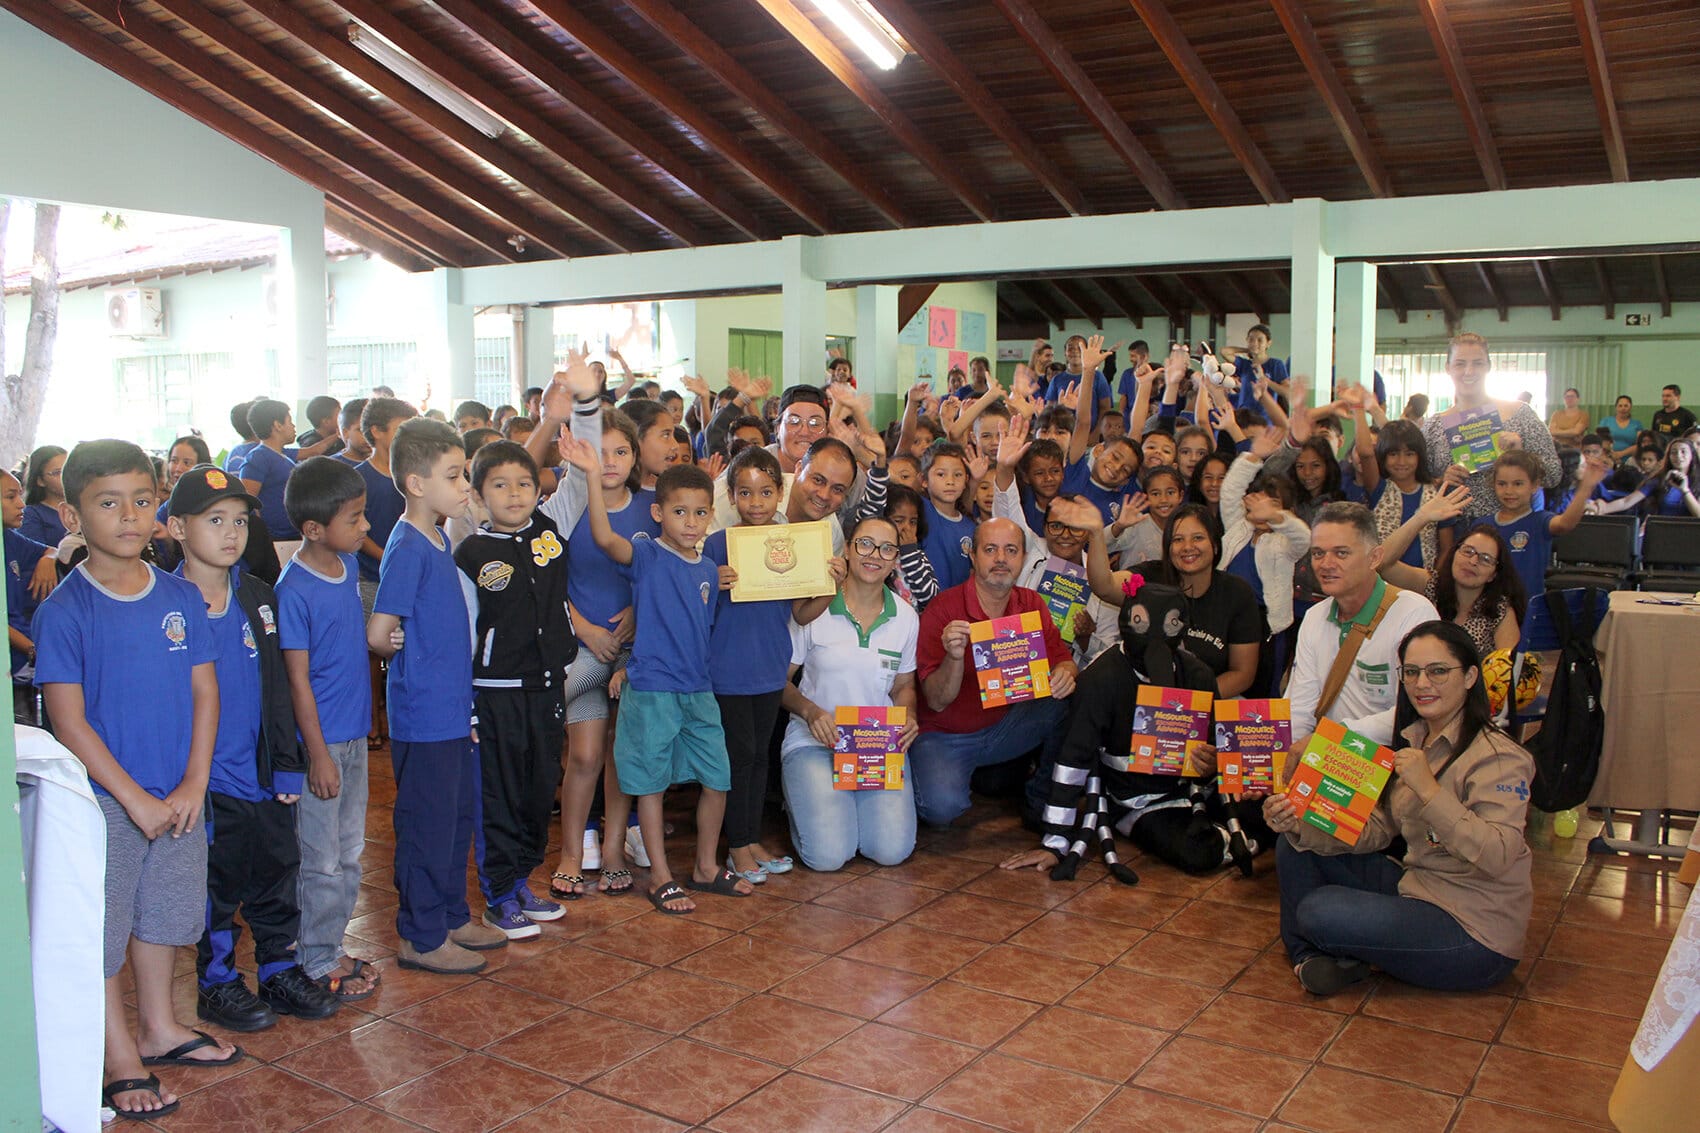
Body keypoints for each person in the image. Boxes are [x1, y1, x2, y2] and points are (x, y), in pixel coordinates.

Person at [32, 440, 239, 1119]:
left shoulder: (180, 595)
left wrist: (192, 783)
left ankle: (159, 1026)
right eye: (108, 502)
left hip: (176, 795)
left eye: (142, 500)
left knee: (165, 916)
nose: (128, 515)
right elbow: (69, 721)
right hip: (103, 803)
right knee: (103, 930)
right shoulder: (67, 610)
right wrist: (133, 800)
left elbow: (205, 693)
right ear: (72, 515)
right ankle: (118, 1053)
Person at [1266, 621, 1534, 996]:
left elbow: (1499, 855)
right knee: (1295, 845)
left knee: (1319, 911)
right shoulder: (1416, 739)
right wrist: (1296, 821)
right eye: (1411, 672)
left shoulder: (1500, 756)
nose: (1422, 683)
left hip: (1474, 931)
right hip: (1418, 890)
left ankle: (1336, 953)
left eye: (1438, 671)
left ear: (1470, 676)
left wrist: (1430, 791)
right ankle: (1311, 959)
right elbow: (1376, 830)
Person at [165, 466, 338, 1030]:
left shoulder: (259, 597)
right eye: (215, 520)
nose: (231, 533)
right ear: (178, 528)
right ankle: (217, 982)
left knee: (276, 874)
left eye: (239, 521)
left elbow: (279, 690)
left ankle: (278, 969)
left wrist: (288, 766)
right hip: (205, 783)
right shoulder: (165, 605)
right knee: (216, 887)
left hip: (261, 774)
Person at [566, 448, 757, 915]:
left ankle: (706, 867)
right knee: (650, 785)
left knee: (718, 778)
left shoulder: (708, 570)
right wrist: (591, 477)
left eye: (700, 513)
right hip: (652, 692)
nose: (690, 522)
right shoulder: (647, 555)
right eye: (679, 512)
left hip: (698, 691)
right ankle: (661, 876)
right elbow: (604, 538)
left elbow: (696, 629)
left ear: (711, 515)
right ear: (658, 514)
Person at [1001, 577, 1273, 881]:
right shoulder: (1101, 680)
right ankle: (1233, 839)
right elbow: (1073, 759)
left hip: (1192, 788)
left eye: (1171, 624)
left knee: (1269, 807)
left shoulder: (1197, 674)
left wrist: (1211, 763)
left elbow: (1213, 743)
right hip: (1135, 799)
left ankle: (1233, 834)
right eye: (1142, 623)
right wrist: (1056, 842)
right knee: (1198, 852)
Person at [366, 417, 508, 973]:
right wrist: (393, 640)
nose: (465, 486)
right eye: (454, 476)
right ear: (416, 483)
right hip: (423, 714)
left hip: (451, 709)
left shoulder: (438, 536)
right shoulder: (407, 546)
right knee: (426, 825)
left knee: (454, 819)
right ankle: (421, 936)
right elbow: (379, 631)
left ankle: (450, 915)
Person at [455, 440, 578, 939]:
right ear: (478, 496)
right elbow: (464, 633)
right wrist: (468, 706)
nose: (514, 494)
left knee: (538, 791)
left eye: (524, 483)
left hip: (546, 688)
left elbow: (578, 486)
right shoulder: (470, 554)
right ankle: (499, 895)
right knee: (499, 796)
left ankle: (522, 881)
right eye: (500, 485)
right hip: (496, 693)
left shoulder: (550, 532)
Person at [530, 387, 648, 899]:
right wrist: (582, 626)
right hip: (582, 646)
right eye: (600, 452)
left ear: (635, 457)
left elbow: (665, 573)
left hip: (635, 652)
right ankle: (572, 853)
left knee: (622, 756)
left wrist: (639, 614)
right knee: (584, 755)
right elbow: (545, 580)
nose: (611, 462)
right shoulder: (568, 507)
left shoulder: (652, 510)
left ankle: (615, 848)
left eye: (621, 451)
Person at [703, 446, 837, 884]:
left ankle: (751, 839)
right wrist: (711, 582)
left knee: (760, 757)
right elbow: (697, 608)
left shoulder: (791, 543)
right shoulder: (718, 544)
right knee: (739, 758)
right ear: (731, 496)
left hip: (769, 670)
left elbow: (801, 613)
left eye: (765, 492)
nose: (755, 502)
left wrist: (831, 585)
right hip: (727, 672)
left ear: (780, 494)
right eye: (744, 492)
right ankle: (736, 848)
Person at [277, 457, 381, 1002]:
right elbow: (297, 680)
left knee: (348, 850)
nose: (365, 526)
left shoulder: (346, 567)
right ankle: (314, 958)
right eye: (355, 518)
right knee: (318, 859)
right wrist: (317, 754)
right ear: (314, 529)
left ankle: (331, 944)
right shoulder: (294, 588)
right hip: (319, 746)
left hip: (353, 736)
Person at [910, 518, 1078, 827]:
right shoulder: (943, 609)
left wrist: (1065, 673)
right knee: (941, 810)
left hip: (1005, 727)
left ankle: (1040, 802)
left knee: (1070, 702)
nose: (1001, 559)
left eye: (1011, 550)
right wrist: (954, 657)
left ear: (1023, 558)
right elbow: (935, 701)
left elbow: (1063, 660)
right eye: (990, 549)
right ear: (973, 556)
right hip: (945, 736)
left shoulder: (1031, 603)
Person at [780, 516, 922, 870]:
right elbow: (779, 681)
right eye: (865, 544)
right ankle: (803, 800)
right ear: (847, 549)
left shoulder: (906, 617)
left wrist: (908, 716)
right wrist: (811, 712)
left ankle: (841, 807)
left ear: (895, 559)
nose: (874, 555)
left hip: (876, 745)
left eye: (887, 549)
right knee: (827, 856)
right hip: (815, 742)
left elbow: (904, 685)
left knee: (891, 851)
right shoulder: (815, 608)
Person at [1287, 502, 1440, 745]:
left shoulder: (1413, 613)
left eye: (1341, 553)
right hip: (1325, 755)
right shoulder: (1315, 616)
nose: (1326, 564)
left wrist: (1335, 736)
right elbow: (1299, 708)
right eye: (1318, 553)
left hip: (1391, 757)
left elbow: (1416, 708)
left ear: (1374, 558)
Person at [1422, 333, 1561, 521]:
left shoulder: (1520, 414)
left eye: (1477, 363)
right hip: (1453, 529)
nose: (1469, 371)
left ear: (1488, 366)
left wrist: (1521, 455)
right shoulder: (1434, 426)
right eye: (1460, 363)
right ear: (1448, 368)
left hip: (1511, 527)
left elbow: (1553, 476)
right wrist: (1441, 480)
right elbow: (1415, 485)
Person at [1377, 487, 1526, 657]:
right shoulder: (1432, 584)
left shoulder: (1500, 611)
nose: (1473, 561)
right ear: (1454, 553)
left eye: (1485, 559)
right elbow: (1382, 564)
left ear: (1493, 574)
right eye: (1468, 551)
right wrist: (1421, 517)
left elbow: (1509, 669)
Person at [1485, 449, 1605, 602]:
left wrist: (1585, 488)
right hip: (1489, 606)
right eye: (1502, 484)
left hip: (1527, 606)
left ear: (1534, 485)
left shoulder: (1540, 521)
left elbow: (1565, 524)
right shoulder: (1483, 525)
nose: (1509, 491)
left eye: (1518, 484)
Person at [353, 397, 418, 612]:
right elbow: (356, 529)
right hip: (373, 576)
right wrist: (386, 556)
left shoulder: (416, 474)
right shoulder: (359, 478)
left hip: (411, 572)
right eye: (401, 429)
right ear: (376, 431)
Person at [238, 400, 302, 548]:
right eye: (290, 421)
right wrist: (263, 536)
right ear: (278, 425)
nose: (293, 426)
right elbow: (247, 501)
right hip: (275, 539)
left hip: (292, 534)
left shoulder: (283, 455)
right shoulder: (258, 457)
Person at [20, 444, 69, 548]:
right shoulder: (32, 514)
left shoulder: (85, 508)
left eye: (69, 469)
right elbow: (34, 553)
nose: (66, 476)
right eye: (57, 472)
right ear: (40, 480)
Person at [1604, 395, 1644, 460]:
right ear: (1616, 407)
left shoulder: (1637, 424)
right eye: (1620, 406)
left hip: (1630, 460)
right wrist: (1611, 454)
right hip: (1608, 459)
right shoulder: (1606, 421)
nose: (1623, 408)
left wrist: (1620, 454)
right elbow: (1598, 441)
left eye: (1626, 406)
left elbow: (1640, 445)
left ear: (1630, 407)